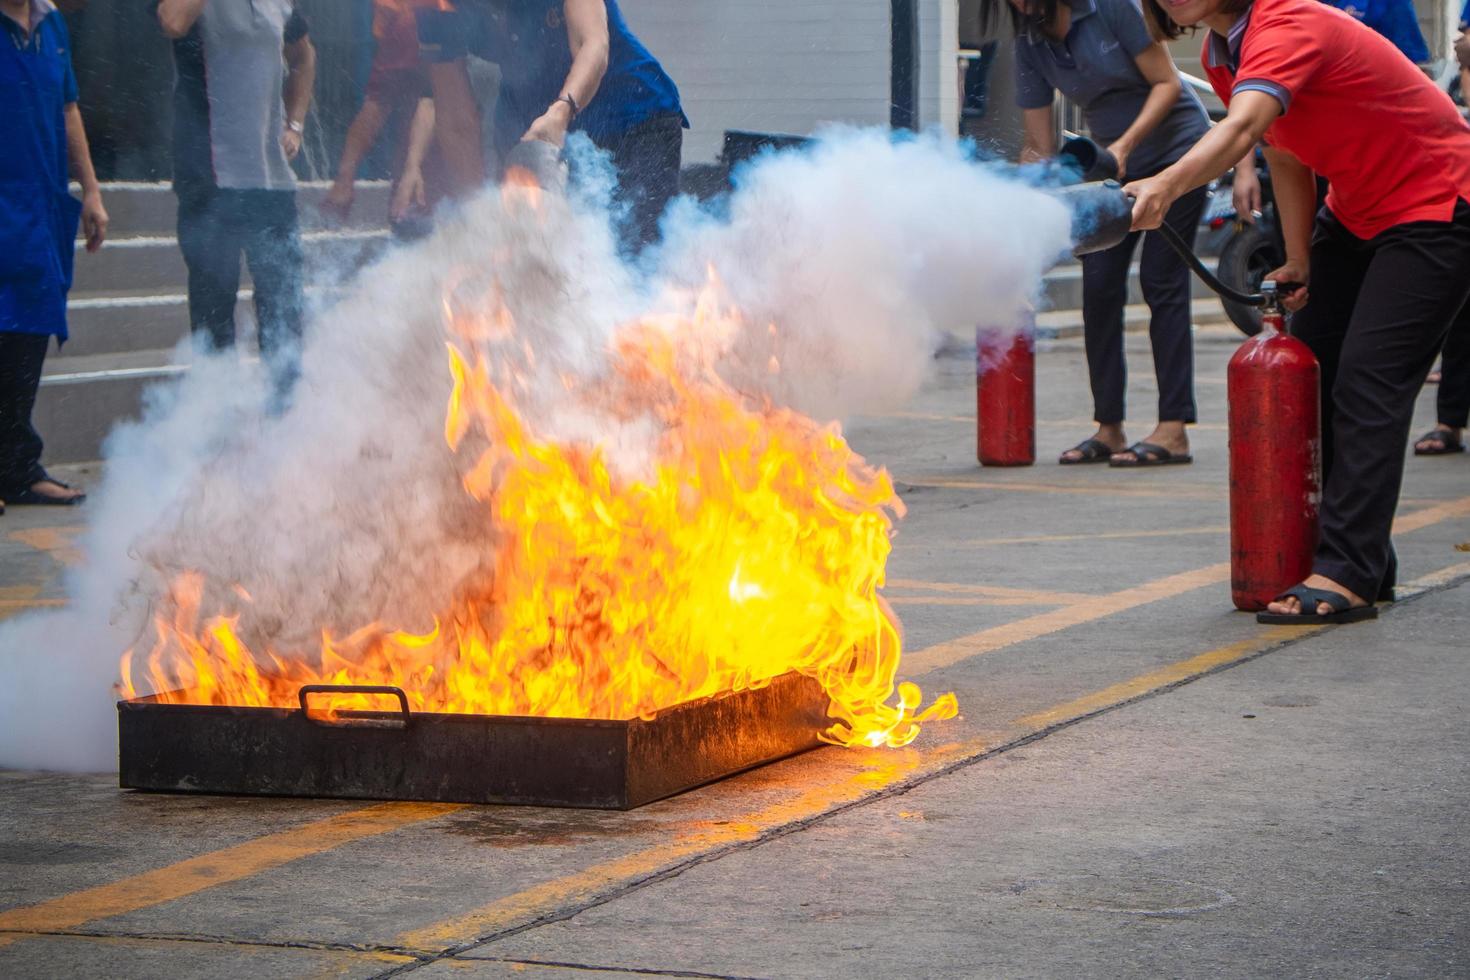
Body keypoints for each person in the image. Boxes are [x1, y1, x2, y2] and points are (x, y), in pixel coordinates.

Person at [1129, 0, 1470, 623]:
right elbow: (1283, 151)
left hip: (1435, 203)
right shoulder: (1221, 51)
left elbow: (1238, 130)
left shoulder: (1288, 23)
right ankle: (1365, 560)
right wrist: (1298, 258)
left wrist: (1167, 183)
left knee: (1368, 383)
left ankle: (1347, 572)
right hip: (1357, 210)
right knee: (1314, 378)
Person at [984, 0, 1211, 467]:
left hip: (1178, 157)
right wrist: (1030, 180)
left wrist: (1125, 144)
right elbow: (1040, 145)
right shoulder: (1029, 41)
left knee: (1161, 282)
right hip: (1112, 175)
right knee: (1100, 286)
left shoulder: (1111, 8)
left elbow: (1168, 84)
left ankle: (1173, 430)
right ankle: (1109, 427)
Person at [417, 0, 687, 250]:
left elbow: (592, 45)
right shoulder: (436, 6)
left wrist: (560, 113)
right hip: (529, 127)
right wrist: (475, 216)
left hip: (631, 119)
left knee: (634, 256)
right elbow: (455, 122)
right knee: (543, 259)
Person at [156, 0, 316, 392]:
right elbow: (173, 21)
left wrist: (294, 124)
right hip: (210, 177)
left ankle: (287, 422)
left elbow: (304, 56)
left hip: (271, 179)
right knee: (214, 315)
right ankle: (218, 429)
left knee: (283, 309)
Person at [1, 0, 108, 511]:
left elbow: (67, 108)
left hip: (38, 206)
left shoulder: (52, 22)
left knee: (27, 338)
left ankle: (17, 470)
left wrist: (90, 190)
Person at [322, 0, 447, 237]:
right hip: (426, 191)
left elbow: (430, 99)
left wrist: (345, 178)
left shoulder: (428, 16)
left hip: (438, 182)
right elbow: (382, 103)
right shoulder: (406, 21)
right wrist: (345, 178)